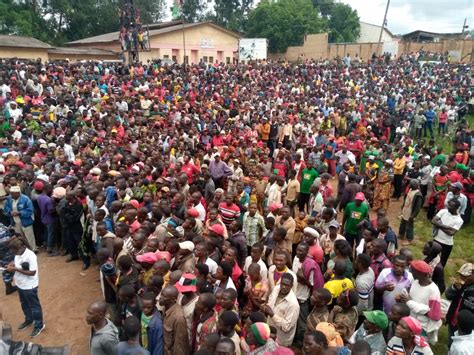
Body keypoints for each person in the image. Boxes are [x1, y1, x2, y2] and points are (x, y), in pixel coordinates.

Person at [6, 238, 45, 337]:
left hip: (29, 286)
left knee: (34, 306)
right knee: (24, 304)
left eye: (15, 251)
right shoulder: (17, 253)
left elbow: (32, 273)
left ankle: (39, 325)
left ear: (22, 247)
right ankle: (29, 320)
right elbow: (18, 263)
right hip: (20, 284)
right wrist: (12, 264)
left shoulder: (30, 256)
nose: (15, 253)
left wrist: (15, 269)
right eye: (13, 251)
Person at [402, 260, 442, 344]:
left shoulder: (433, 290)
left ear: (422, 274)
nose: (411, 272)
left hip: (423, 327)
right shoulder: (415, 282)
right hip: (411, 321)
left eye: (413, 271)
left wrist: (410, 303)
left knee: (419, 346)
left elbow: (434, 315)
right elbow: (411, 298)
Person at [261, 272, 299, 347]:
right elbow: (270, 303)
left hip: (281, 340)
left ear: (291, 286)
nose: (284, 287)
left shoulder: (293, 304)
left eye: (287, 285)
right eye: (282, 284)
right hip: (269, 332)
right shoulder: (276, 289)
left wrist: (272, 314)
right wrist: (265, 308)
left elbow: (287, 327)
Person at [445, 263, 474, 345]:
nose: (462, 278)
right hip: (453, 321)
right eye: (461, 275)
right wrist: (454, 288)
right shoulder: (461, 285)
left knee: (461, 347)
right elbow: (448, 295)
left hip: (466, 327)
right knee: (451, 343)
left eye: (465, 276)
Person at [159, 285, 190, 355]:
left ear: (172, 299)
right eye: (161, 294)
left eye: (164, 296)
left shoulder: (178, 318)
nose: (160, 297)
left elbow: (179, 345)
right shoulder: (165, 307)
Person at [432, 199, 464, 266]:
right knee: (431, 257)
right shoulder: (443, 211)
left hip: (447, 244)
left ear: (456, 208)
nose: (448, 207)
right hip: (436, 239)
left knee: (441, 263)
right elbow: (433, 221)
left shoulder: (459, 220)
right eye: (448, 205)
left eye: (451, 206)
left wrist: (439, 225)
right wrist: (447, 227)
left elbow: (451, 233)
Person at [4, 186, 36, 251]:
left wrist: (20, 213)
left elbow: (30, 210)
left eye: (13, 193)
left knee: (29, 237)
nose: (11, 195)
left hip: (26, 221)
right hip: (15, 222)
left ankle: (33, 250)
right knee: (20, 237)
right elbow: (6, 208)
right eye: (11, 193)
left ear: (18, 193)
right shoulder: (9, 199)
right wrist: (10, 212)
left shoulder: (25, 199)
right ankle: (25, 250)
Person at [399, 180, 423, 245]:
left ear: (415, 185)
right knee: (403, 223)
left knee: (409, 226)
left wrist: (413, 216)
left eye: (411, 184)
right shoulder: (410, 190)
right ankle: (401, 234)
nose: (410, 185)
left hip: (410, 212)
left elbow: (417, 207)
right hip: (406, 210)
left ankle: (409, 239)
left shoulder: (418, 195)